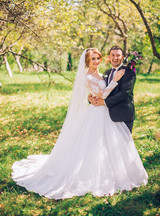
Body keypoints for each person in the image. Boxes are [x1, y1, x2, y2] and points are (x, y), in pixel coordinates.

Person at [12, 48, 148, 200]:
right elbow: (102, 94)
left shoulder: (104, 74)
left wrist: (104, 91)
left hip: (106, 112)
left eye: (98, 58)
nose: (96, 61)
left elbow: (106, 94)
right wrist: (112, 84)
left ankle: (117, 171)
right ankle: (93, 174)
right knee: (94, 144)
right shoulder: (88, 76)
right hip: (97, 112)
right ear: (87, 62)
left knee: (109, 143)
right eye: (93, 59)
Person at [89, 46, 136, 132]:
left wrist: (104, 102)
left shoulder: (129, 73)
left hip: (123, 115)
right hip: (107, 117)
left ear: (122, 57)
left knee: (123, 144)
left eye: (118, 55)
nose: (115, 58)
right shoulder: (107, 73)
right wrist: (91, 99)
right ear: (109, 57)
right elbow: (102, 90)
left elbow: (125, 93)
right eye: (113, 55)